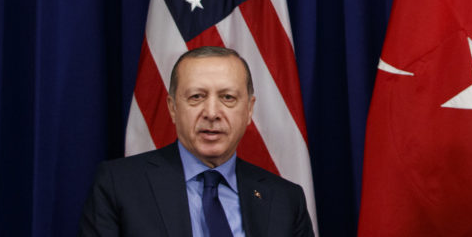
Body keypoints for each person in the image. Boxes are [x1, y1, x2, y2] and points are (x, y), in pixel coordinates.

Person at [80, 46, 314, 236]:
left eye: (228, 98)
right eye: (196, 97)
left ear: (249, 109)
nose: (211, 112)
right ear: (173, 108)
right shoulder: (119, 185)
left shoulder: (286, 200)